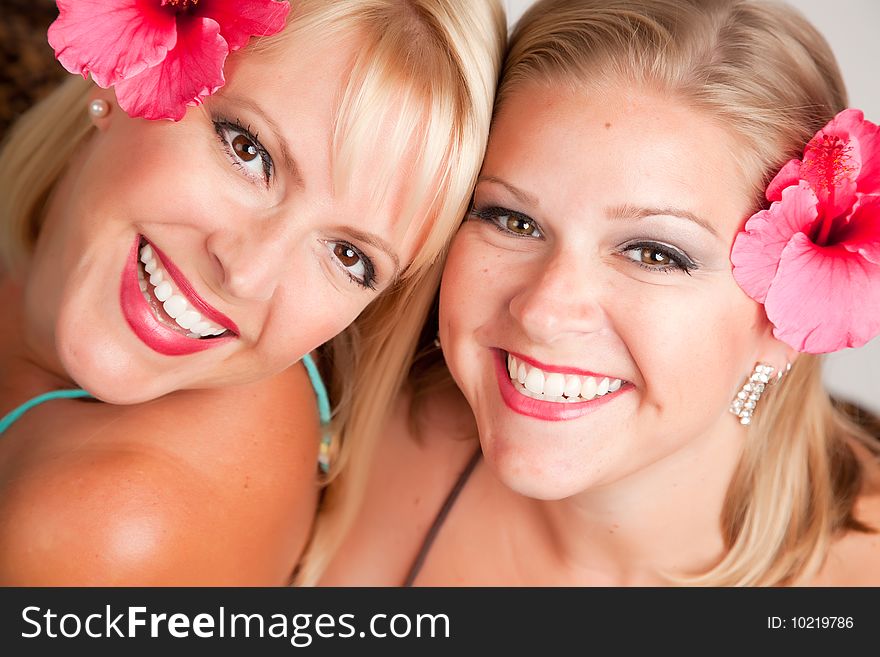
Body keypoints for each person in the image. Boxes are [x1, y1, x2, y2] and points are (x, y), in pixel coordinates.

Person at [318, 0, 880, 586]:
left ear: (787, 312)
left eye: (654, 254)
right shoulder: (342, 432)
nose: (543, 313)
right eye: (512, 220)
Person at [0, 0, 505, 584]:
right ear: (130, 71)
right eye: (249, 151)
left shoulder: (99, 527)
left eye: (349, 257)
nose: (246, 274)